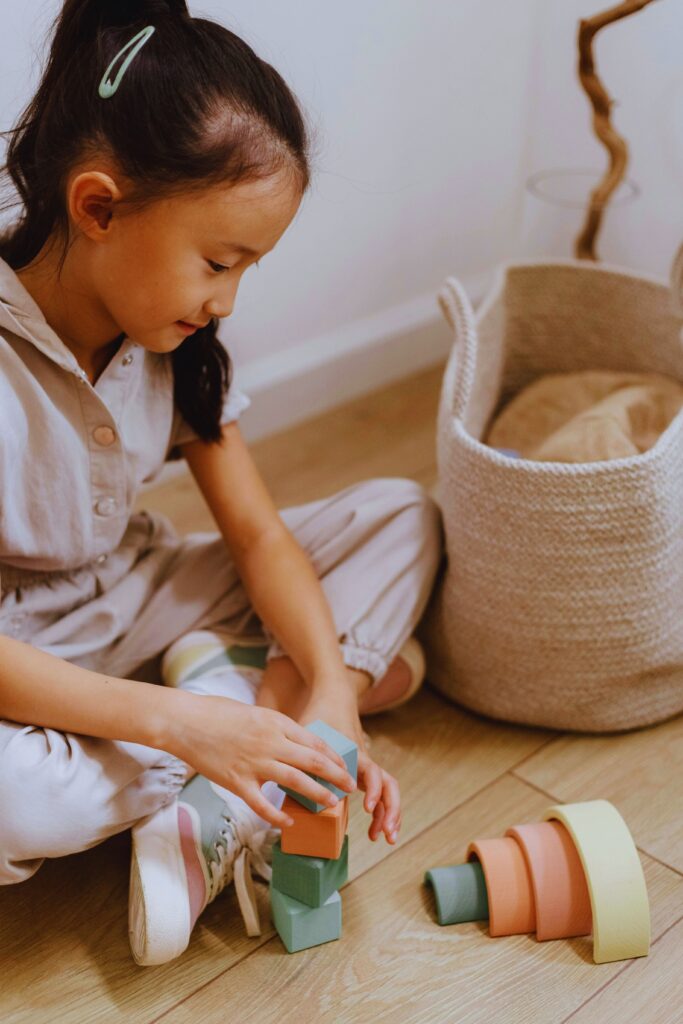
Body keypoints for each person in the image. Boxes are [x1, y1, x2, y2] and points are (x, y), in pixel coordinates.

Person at [0, 0, 443, 965]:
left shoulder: (173, 341)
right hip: (17, 650)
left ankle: (256, 726)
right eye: (217, 262)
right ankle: (228, 723)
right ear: (97, 208)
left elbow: (257, 536)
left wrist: (332, 695)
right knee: (15, 804)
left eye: (247, 269)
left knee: (402, 516)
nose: (227, 301)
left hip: (132, 592)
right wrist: (187, 723)